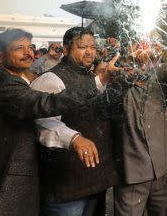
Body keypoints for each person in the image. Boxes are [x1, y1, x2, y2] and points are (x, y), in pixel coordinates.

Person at [0, 29, 106, 216]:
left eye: (30, 47)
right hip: (6, 182)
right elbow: (45, 104)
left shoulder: (18, 79)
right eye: (19, 48)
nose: (28, 53)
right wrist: (98, 83)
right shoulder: (6, 85)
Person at [112, 27, 167, 216]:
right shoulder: (115, 84)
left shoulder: (156, 82)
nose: (143, 61)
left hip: (163, 170)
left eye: (150, 57)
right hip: (132, 174)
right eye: (137, 56)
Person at [32, 27, 119, 215]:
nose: (89, 52)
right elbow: (44, 122)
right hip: (67, 188)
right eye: (81, 47)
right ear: (65, 50)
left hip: (95, 181)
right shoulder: (51, 78)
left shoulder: (93, 77)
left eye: (93, 47)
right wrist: (75, 138)